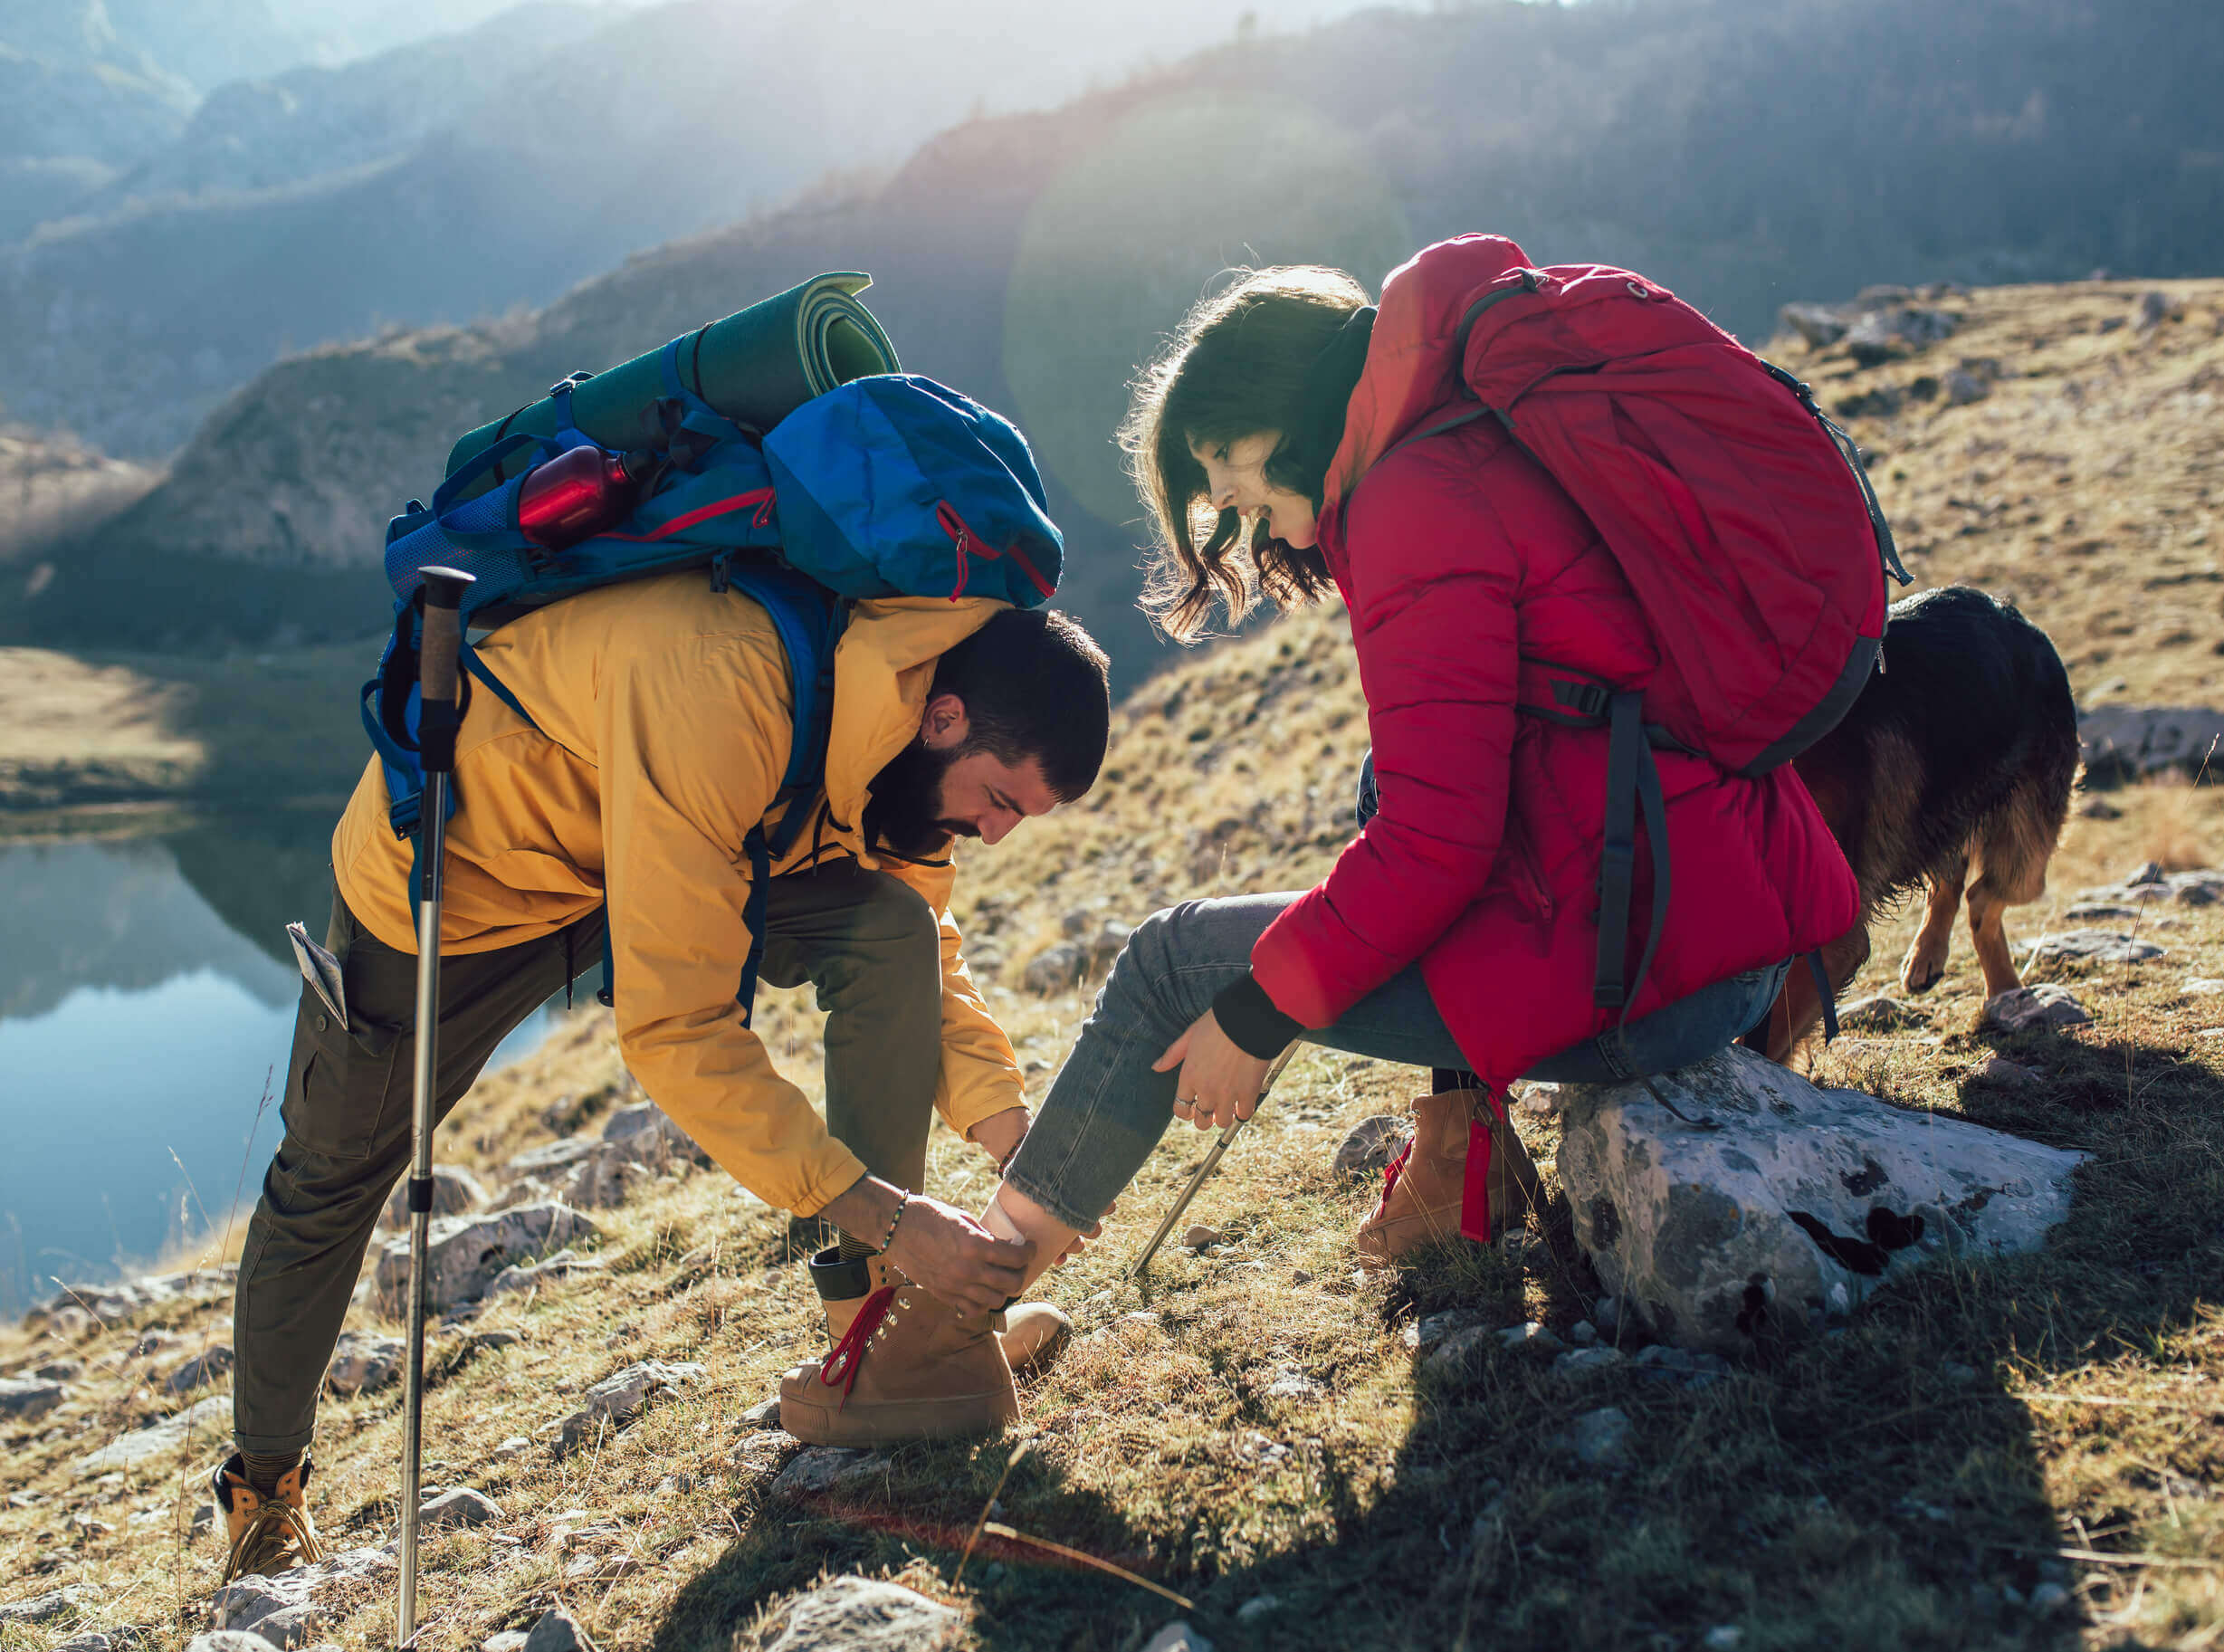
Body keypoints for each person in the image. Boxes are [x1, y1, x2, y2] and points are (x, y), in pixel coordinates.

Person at [783, 236, 1863, 1443]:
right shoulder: (1471, 433)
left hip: (1643, 968)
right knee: (1365, 788)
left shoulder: (1412, 498)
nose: (1235, 508)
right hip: (1706, 916)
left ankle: (937, 1340)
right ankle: (1461, 1176)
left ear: (1288, 413)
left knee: (1173, 966)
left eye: (1228, 468)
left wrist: (1256, 1013)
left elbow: (1439, 845)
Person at [214, 574, 1111, 1577]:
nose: (994, 834)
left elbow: (922, 943)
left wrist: (1011, 1136)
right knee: (330, 1173)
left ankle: (876, 1350)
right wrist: (892, 1214)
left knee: (887, 930)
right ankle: (265, 1488)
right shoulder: (723, 685)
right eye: (997, 800)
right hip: (467, 878)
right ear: (944, 718)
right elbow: (676, 1028)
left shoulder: (887, 736)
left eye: (1018, 818)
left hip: (669, 839)